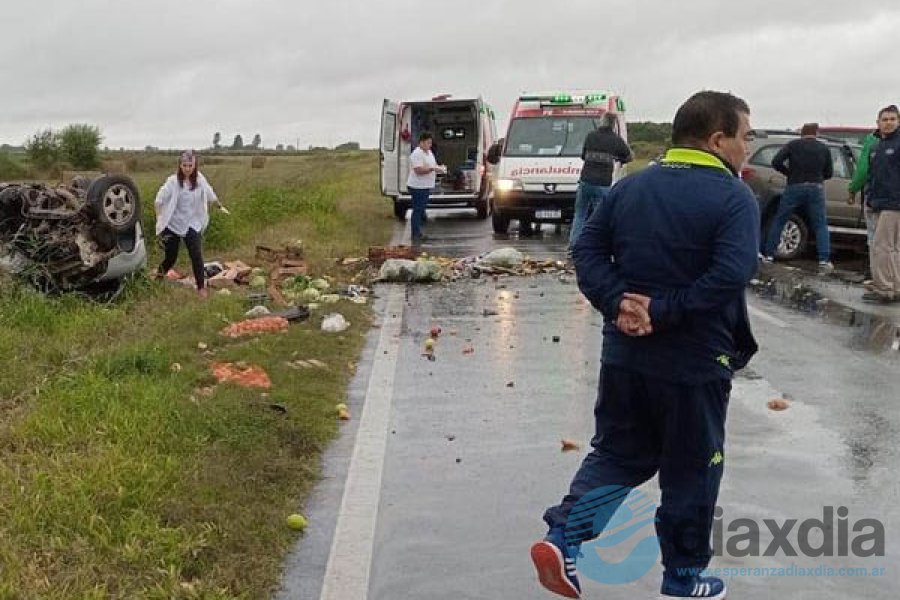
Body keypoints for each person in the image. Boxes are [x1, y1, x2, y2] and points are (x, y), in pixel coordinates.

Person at [530, 91, 759, 600]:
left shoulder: (630, 189)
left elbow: (585, 249)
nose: (748, 148)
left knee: (618, 453)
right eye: (745, 137)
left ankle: (563, 535)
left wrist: (618, 304)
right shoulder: (732, 196)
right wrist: (663, 311)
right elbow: (731, 274)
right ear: (717, 139)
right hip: (694, 362)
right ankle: (683, 577)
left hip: (626, 357)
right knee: (691, 469)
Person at [761, 123, 834, 273]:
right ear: (817, 133)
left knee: (781, 219)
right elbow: (829, 172)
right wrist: (818, 176)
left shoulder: (793, 145)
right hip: (815, 187)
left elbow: (776, 161)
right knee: (820, 224)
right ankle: (824, 260)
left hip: (794, 186)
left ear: (801, 132)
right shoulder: (823, 148)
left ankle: (769, 255)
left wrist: (789, 173)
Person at [154, 150, 226, 298]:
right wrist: (159, 218)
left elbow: (209, 192)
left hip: (192, 223)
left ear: (195, 165)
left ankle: (200, 287)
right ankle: (158, 278)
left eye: (190, 165)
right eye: (184, 165)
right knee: (171, 257)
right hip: (173, 224)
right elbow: (159, 200)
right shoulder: (173, 182)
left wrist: (219, 205)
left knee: (196, 254)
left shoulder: (200, 180)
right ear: (180, 166)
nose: (187, 168)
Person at [568, 119, 633, 251]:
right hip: (603, 183)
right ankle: (596, 245)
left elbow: (583, 156)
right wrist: (618, 158)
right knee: (600, 217)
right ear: (614, 124)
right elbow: (629, 156)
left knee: (580, 214)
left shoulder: (591, 136)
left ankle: (574, 245)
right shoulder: (615, 140)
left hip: (586, 180)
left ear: (602, 122)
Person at [861, 104, 900, 304]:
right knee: (890, 248)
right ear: (878, 122)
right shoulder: (876, 146)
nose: (888, 123)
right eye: (885, 119)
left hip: (893, 203)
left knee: (883, 247)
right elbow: (873, 176)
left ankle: (885, 288)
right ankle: (893, 285)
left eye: (892, 119)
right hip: (877, 202)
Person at [847, 121, 880, 283]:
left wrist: (853, 188)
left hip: (875, 196)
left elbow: (863, 169)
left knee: (874, 237)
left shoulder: (872, 141)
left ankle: (875, 275)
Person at [406, 132, 445, 243]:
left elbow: (432, 164)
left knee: (421, 209)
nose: (430, 145)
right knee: (418, 209)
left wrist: (439, 168)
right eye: (428, 143)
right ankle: (415, 233)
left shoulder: (429, 153)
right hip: (417, 186)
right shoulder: (417, 154)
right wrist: (432, 169)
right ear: (422, 142)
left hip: (425, 185)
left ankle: (418, 231)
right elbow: (418, 170)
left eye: (430, 143)